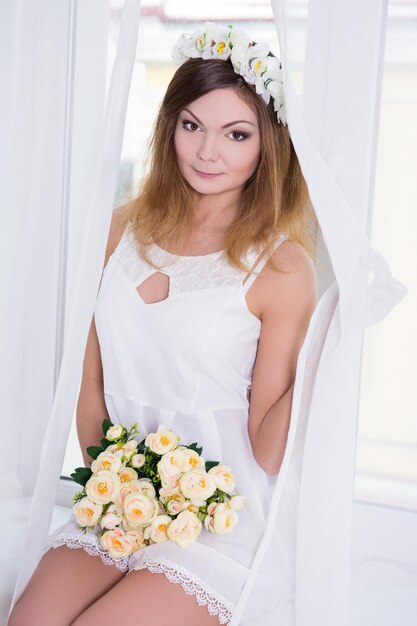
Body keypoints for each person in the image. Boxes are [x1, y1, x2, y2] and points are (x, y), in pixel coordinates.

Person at [8, 22, 318, 626]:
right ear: (168, 125)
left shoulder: (281, 266)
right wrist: (124, 488)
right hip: (121, 496)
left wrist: (326, 345)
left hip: (221, 519)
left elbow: (268, 448)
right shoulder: (116, 230)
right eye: (191, 125)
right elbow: (89, 383)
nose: (208, 152)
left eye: (236, 134)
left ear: (268, 145)